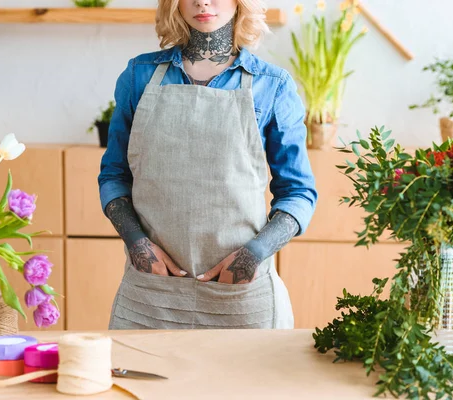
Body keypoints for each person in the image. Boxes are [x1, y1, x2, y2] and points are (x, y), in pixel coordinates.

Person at [98, 0, 317, 330]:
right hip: (152, 296)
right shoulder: (138, 76)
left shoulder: (272, 85)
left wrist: (254, 254)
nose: (203, 1)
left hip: (239, 295)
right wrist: (138, 244)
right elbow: (114, 175)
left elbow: (299, 193)